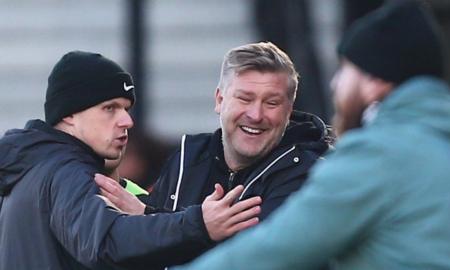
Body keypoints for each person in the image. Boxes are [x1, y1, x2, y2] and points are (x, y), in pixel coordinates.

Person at [173, 1, 450, 269]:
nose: (335, 84)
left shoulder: (376, 156)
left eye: (345, 70)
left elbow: (277, 251)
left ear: (373, 81)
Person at [0, 51, 262, 270]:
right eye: (110, 108)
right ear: (69, 114)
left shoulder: (31, 168)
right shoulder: (65, 171)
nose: (127, 121)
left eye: (126, 108)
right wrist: (197, 225)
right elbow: (105, 241)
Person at [95, 42, 331, 260]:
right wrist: (148, 216)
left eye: (271, 103)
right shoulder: (188, 158)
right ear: (219, 100)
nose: (256, 115)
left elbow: (259, 261)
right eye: (245, 99)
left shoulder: (313, 175)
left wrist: (191, 226)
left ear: (289, 110)